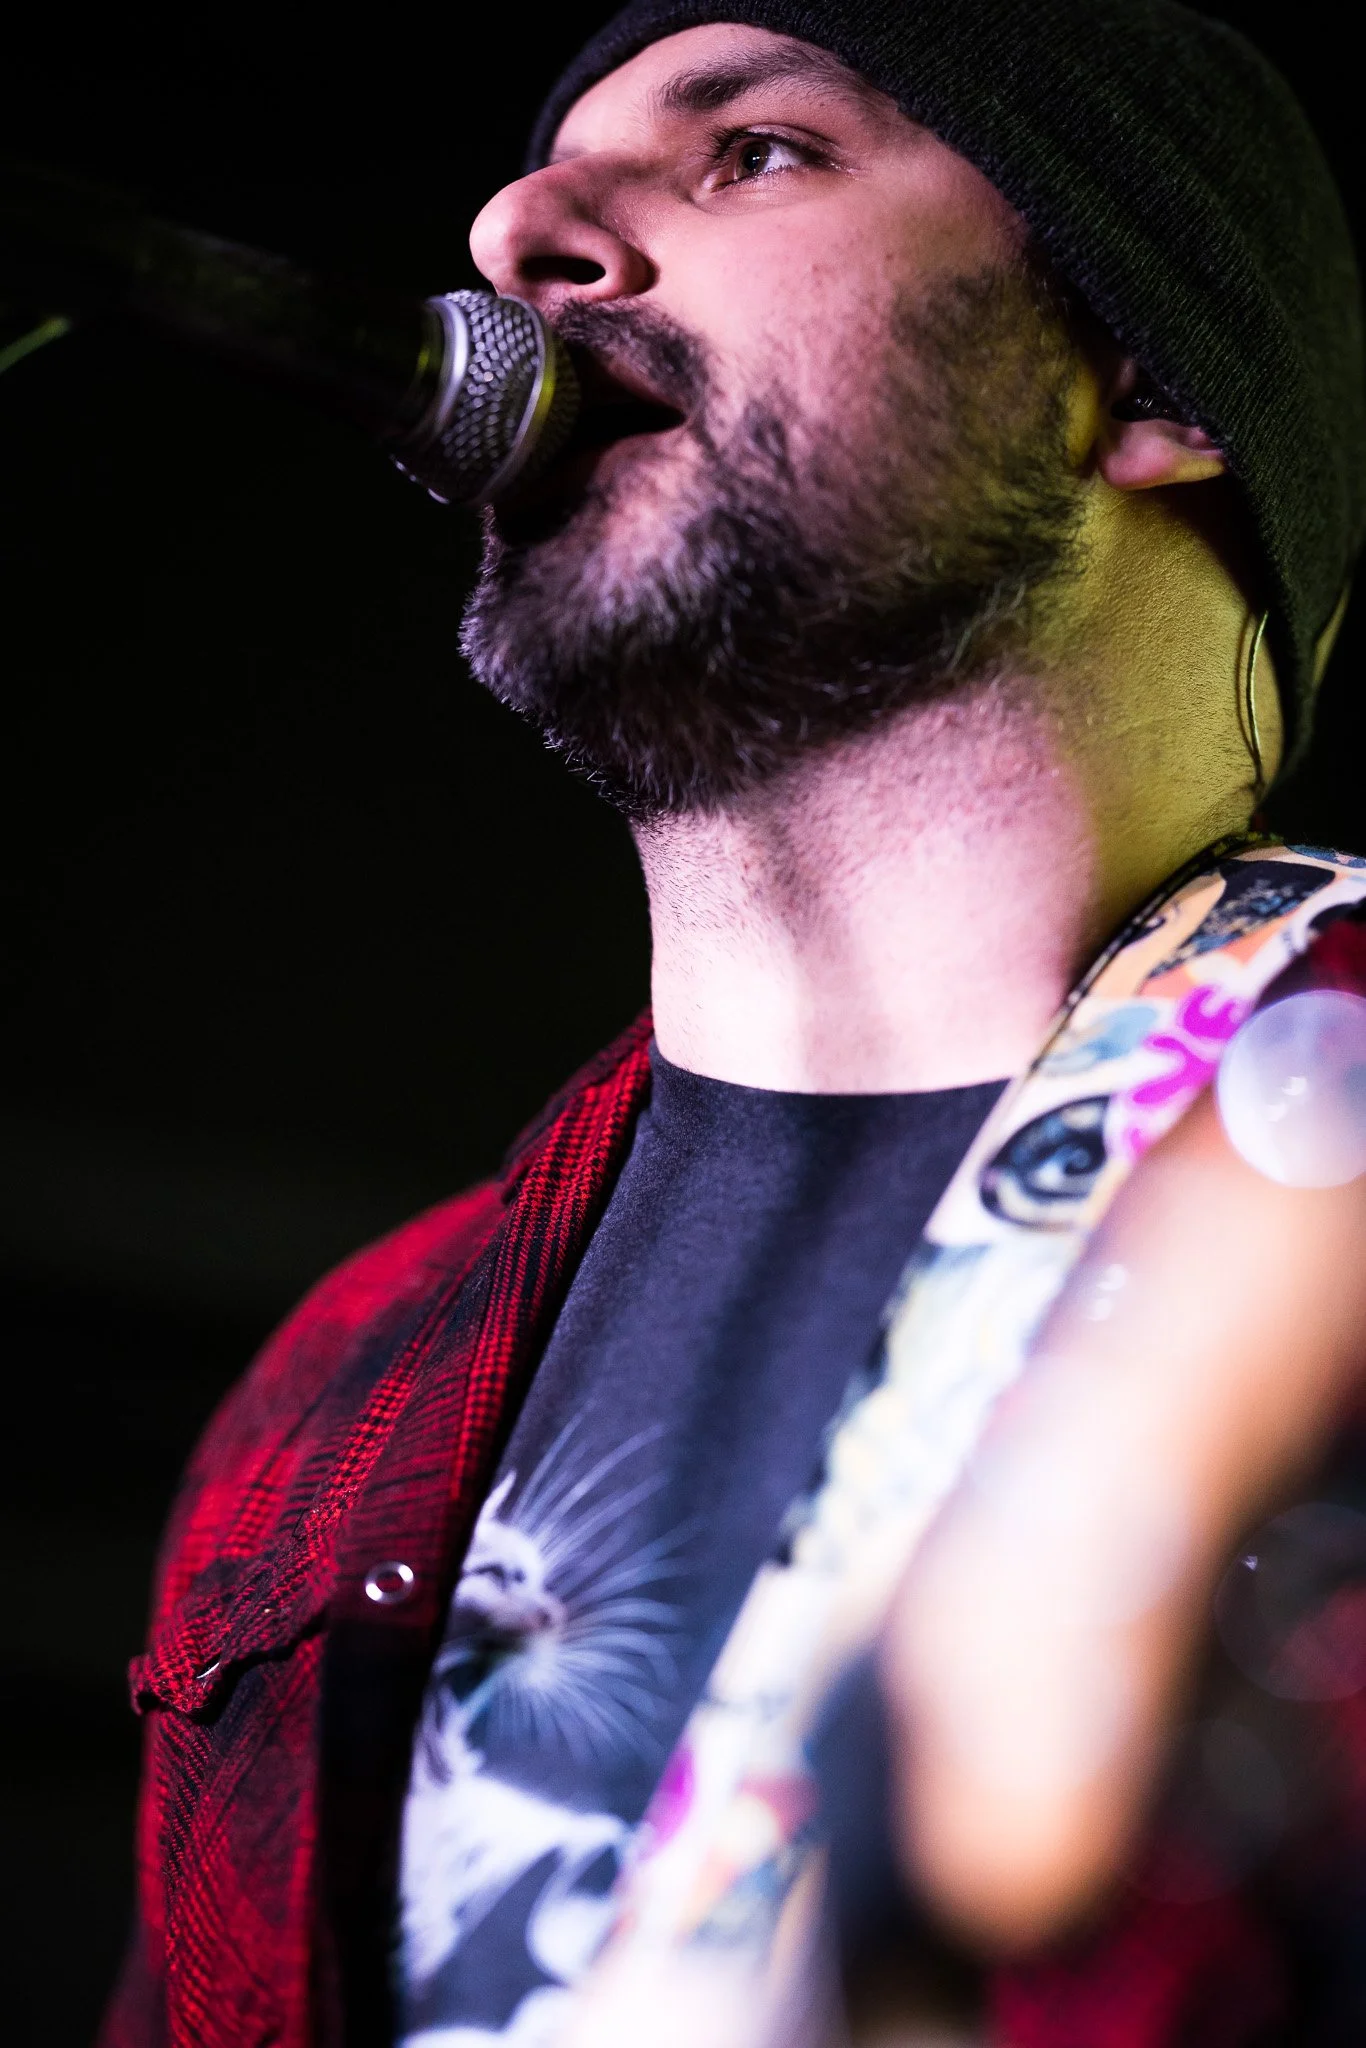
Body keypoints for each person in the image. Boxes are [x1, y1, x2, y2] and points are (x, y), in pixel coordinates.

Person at [100, 4, 1366, 2045]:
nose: (520, 228)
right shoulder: (325, 1395)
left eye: (753, 151)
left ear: (1146, 369)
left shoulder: (1322, 1156)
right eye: (537, 170)